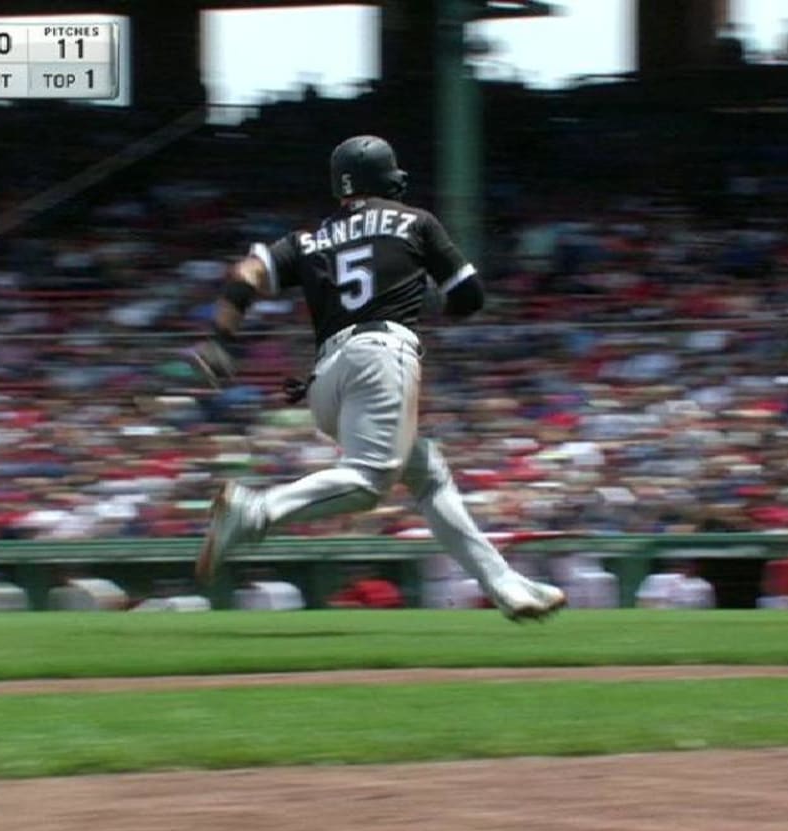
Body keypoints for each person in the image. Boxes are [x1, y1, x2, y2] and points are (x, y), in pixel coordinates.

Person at [189, 134, 566, 622]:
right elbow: (471, 296)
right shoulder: (415, 221)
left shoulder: (308, 238)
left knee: (428, 475)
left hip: (326, 383)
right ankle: (254, 511)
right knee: (369, 483)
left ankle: (506, 586)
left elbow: (248, 272)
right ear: (385, 177)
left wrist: (221, 338)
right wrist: (427, 299)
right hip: (380, 359)